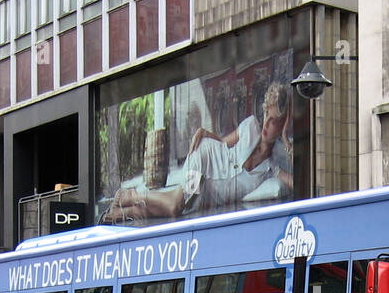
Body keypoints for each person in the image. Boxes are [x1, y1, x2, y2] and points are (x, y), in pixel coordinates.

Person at [106, 83, 293, 222]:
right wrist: (204, 132)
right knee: (174, 206)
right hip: (205, 160)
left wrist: (286, 135)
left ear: (282, 124)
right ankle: (132, 195)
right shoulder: (250, 125)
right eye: (266, 115)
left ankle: (122, 213)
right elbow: (220, 143)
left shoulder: (271, 168)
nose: (266, 124)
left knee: (174, 211)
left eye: (274, 120)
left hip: (208, 193)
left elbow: (296, 183)